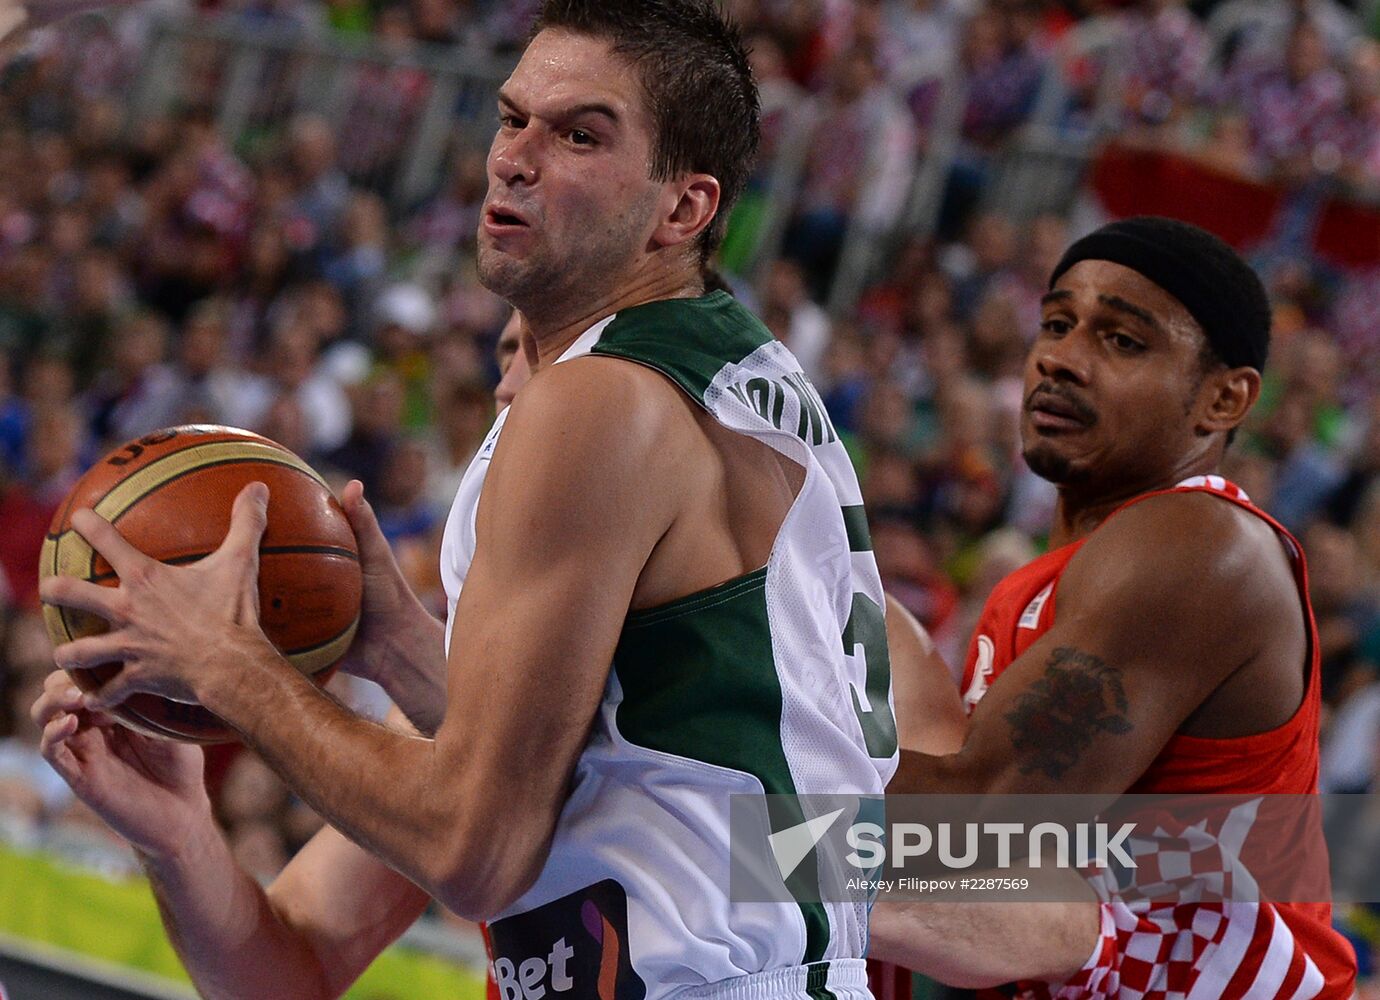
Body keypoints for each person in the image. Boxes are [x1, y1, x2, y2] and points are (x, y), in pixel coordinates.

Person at [36, 4, 904, 999]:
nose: (514, 159)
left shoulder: (603, 398)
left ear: (683, 210)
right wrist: (182, 833)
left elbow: (471, 849)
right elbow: (293, 968)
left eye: (580, 133)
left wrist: (224, 664)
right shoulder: (739, 386)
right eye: (510, 119)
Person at [870, 217, 1358, 997]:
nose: (1062, 358)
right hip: (1063, 941)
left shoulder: (1202, 544)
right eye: (1057, 324)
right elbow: (946, 772)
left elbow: (975, 829)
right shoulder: (1033, 585)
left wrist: (726, 822)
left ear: (1223, 399)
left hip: (1207, 969)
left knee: (762, 859)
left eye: (1122, 341)